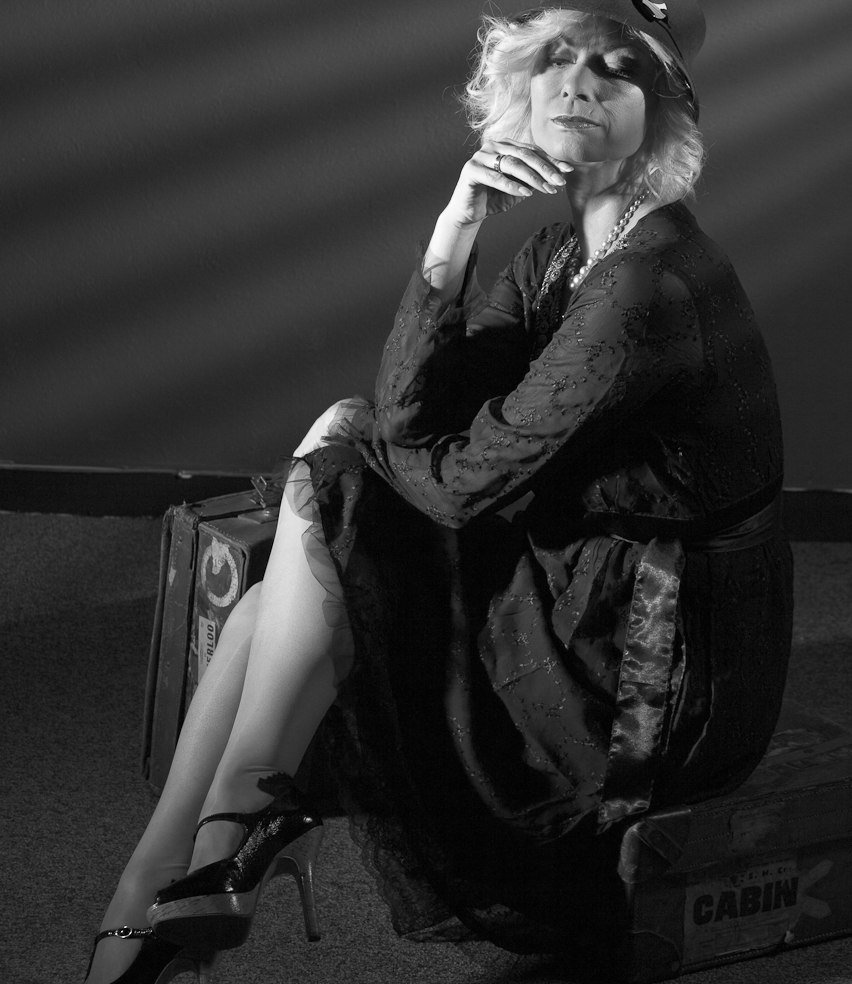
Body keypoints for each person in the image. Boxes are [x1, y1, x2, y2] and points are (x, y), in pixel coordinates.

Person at [83, 0, 794, 980]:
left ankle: (224, 844)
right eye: (557, 59)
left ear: (664, 114)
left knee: (335, 484)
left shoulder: (643, 289)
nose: (579, 82)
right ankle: (181, 867)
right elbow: (419, 415)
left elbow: (453, 484)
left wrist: (352, 461)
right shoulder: (561, 254)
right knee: (280, 578)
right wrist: (454, 228)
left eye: (618, 68)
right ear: (517, 92)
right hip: (572, 586)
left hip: (649, 673)